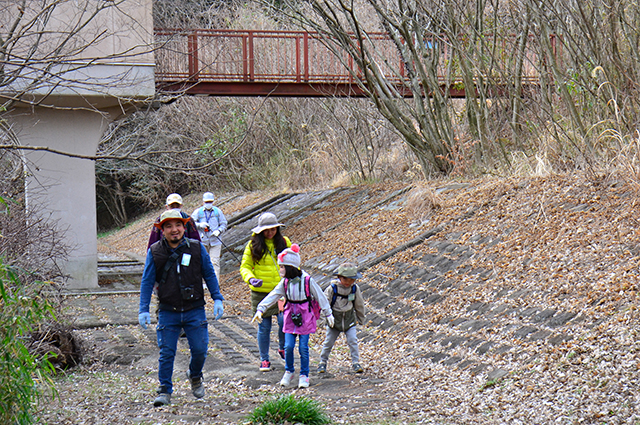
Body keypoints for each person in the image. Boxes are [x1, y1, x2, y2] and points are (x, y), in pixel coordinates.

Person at [138, 209, 224, 407]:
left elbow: (209, 273)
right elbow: (147, 281)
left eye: (178, 225)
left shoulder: (196, 248)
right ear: (162, 230)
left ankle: (194, 375)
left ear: (184, 227)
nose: (174, 230)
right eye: (168, 226)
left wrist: (217, 297)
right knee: (167, 352)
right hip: (168, 311)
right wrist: (143, 309)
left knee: (200, 350)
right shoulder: (155, 251)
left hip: (195, 309)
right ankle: (165, 390)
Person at [251, 244, 333, 388]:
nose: (280, 269)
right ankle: (289, 371)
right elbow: (274, 295)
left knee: (303, 347)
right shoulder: (285, 282)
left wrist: (328, 313)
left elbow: (320, 296)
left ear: (290, 267)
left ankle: (304, 374)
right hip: (290, 315)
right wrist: (261, 309)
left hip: (305, 316)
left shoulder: (307, 281)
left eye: (282, 267)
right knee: (288, 346)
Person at [239, 212, 290, 372]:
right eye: (266, 230)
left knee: (284, 322)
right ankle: (264, 359)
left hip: (281, 292)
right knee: (264, 327)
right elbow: (245, 266)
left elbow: (292, 263)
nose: (269, 233)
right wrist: (251, 279)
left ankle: (282, 347)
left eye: (273, 229)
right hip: (260, 293)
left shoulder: (284, 242)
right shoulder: (252, 245)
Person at [317, 262, 366, 374]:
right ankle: (322, 362)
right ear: (339, 277)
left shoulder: (354, 289)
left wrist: (361, 318)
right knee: (328, 342)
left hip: (349, 319)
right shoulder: (332, 288)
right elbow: (324, 304)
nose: (348, 283)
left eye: (351, 280)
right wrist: (321, 320)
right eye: (346, 279)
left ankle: (356, 362)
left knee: (353, 340)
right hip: (334, 320)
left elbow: (359, 304)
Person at [191, 192, 228, 280]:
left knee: (215, 262)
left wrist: (219, 231)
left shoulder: (217, 212)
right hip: (203, 241)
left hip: (215, 241)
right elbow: (191, 223)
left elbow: (224, 223)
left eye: (210, 202)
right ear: (203, 202)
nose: (208, 204)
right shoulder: (198, 212)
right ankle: (204, 283)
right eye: (206, 202)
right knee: (203, 262)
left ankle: (215, 283)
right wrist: (200, 225)